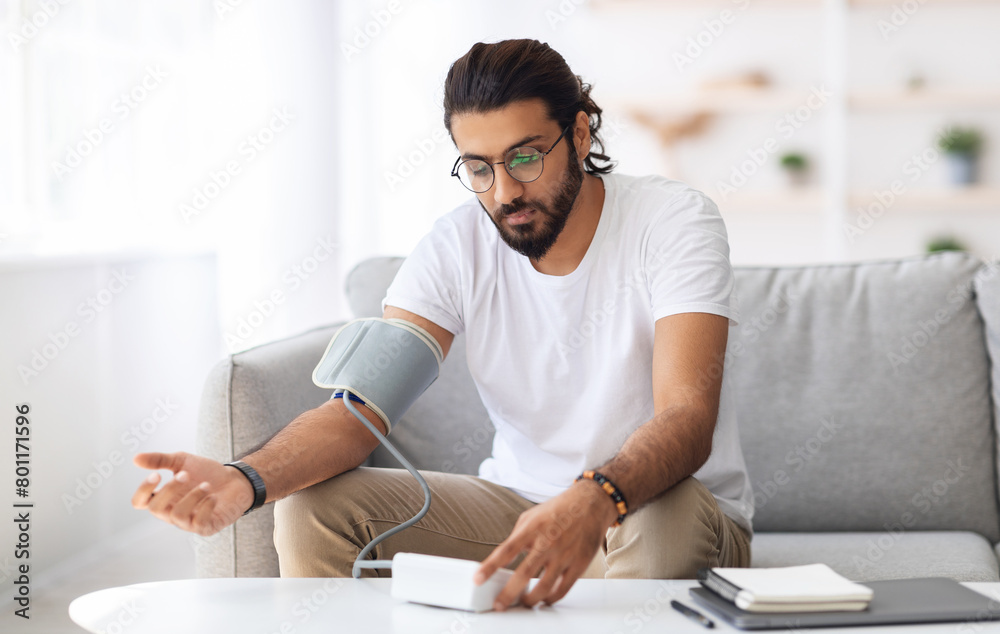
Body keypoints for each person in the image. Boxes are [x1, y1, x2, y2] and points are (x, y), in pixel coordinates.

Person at [131, 38, 753, 611]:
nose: (504, 192)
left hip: (660, 508)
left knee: (657, 513)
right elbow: (358, 414)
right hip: (520, 506)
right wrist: (245, 480)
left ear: (581, 133)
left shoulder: (673, 221)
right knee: (314, 508)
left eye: (526, 158)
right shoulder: (456, 246)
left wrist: (594, 499)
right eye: (479, 167)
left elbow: (687, 417)